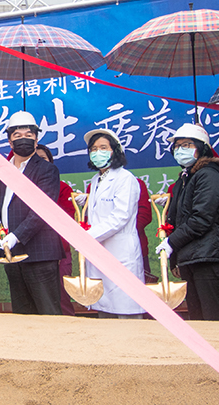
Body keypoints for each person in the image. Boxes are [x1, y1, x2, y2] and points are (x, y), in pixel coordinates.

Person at [0, 111, 63, 315]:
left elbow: (43, 209)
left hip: (39, 253)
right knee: (22, 313)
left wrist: (17, 236)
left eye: (28, 135)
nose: (23, 139)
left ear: (36, 140)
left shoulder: (46, 170)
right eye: (17, 136)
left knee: (48, 312)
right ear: (9, 141)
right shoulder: (4, 170)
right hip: (12, 254)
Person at [155, 124, 219, 321]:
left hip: (207, 256)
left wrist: (171, 243)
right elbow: (178, 220)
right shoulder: (184, 179)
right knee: (197, 316)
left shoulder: (209, 174)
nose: (180, 149)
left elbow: (201, 219)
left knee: (212, 315)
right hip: (190, 257)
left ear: (201, 148)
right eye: (177, 146)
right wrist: (175, 259)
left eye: (187, 145)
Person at [76, 129, 144, 319]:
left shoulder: (125, 178)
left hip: (121, 253)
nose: (98, 152)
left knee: (126, 314)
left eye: (103, 148)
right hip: (100, 253)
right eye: (94, 149)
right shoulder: (96, 180)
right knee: (104, 312)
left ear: (114, 151)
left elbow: (120, 216)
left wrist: (86, 237)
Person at [35, 144, 77, 316]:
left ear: (51, 163)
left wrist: (57, 250)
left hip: (58, 252)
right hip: (31, 253)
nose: (39, 163)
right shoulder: (19, 188)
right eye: (34, 159)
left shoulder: (63, 188)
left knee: (60, 299)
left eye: (43, 159)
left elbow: (66, 221)